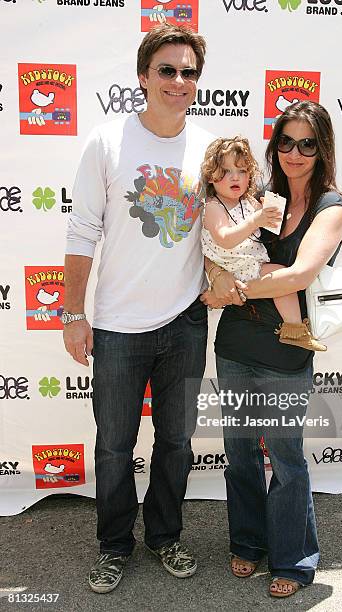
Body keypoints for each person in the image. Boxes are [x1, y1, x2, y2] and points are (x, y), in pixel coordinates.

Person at [63, 24, 216, 594]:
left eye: (189, 72)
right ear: (143, 77)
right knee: (114, 445)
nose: (179, 81)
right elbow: (82, 231)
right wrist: (73, 314)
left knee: (177, 442)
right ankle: (114, 545)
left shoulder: (208, 148)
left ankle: (165, 536)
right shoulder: (106, 142)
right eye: (167, 70)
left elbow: (224, 232)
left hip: (185, 322)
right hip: (118, 326)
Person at [201, 101, 342, 598]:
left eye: (307, 143)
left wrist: (232, 287)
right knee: (239, 451)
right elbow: (219, 248)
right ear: (274, 146)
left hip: (287, 350)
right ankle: (247, 541)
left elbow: (302, 274)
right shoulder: (262, 197)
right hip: (237, 343)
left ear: (322, 147)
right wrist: (217, 274)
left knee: (285, 457)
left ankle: (294, 559)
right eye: (285, 142)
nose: (295, 152)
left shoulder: (331, 205)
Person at [200, 136, 326, 351]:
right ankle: (294, 328)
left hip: (249, 265)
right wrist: (255, 220)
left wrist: (273, 216)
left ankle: (294, 329)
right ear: (211, 176)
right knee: (282, 277)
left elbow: (265, 225)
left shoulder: (248, 201)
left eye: (242, 171)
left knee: (283, 280)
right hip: (232, 267)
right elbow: (225, 238)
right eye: (227, 171)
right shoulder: (213, 206)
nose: (235, 177)